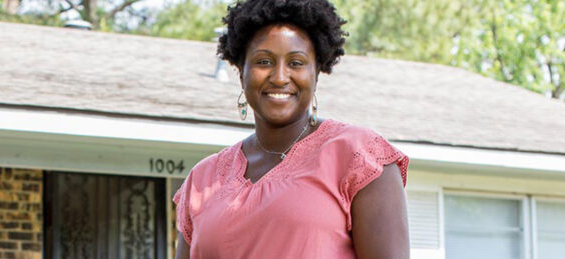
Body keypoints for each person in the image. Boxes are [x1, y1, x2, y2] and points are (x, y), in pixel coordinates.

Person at [172, 0, 410, 258]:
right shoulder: (203, 180)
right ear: (241, 72)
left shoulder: (360, 156)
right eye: (264, 61)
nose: (280, 77)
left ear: (316, 73)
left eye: (296, 63)